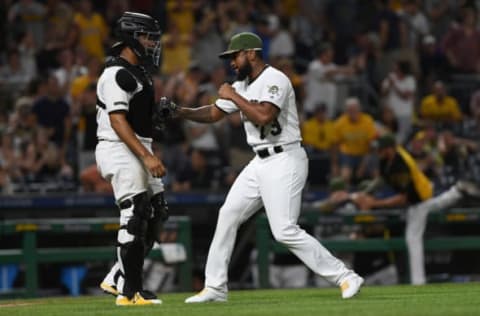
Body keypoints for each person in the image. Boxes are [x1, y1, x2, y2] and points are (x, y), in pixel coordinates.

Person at [160, 32, 364, 302]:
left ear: (251, 53)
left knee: (284, 230)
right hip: (259, 161)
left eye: (236, 56)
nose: (232, 62)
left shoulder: (275, 79)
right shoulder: (241, 85)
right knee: (228, 214)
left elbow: (265, 115)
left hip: (286, 158)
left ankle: (345, 276)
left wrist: (233, 95)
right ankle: (215, 287)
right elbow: (212, 113)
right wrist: (179, 111)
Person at [95, 12, 169, 306]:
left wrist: (158, 115)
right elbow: (117, 121)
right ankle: (130, 293)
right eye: (148, 37)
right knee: (135, 212)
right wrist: (147, 157)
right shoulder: (117, 73)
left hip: (137, 145)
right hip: (118, 146)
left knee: (156, 212)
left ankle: (119, 278)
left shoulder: (138, 73)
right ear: (131, 36)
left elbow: (136, 118)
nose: (152, 43)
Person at [353, 133, 480, 285]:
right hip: (423, 194)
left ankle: (418, 281)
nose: (377, 151)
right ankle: (457, 191)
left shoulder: (401, 163)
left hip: (418, 200)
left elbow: (403, 198)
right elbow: (383, 178)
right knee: (435, 206)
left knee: (412, 238)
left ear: (390, 149)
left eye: (381, 148)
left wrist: (374, 203)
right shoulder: (387, 159)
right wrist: (366, 192)